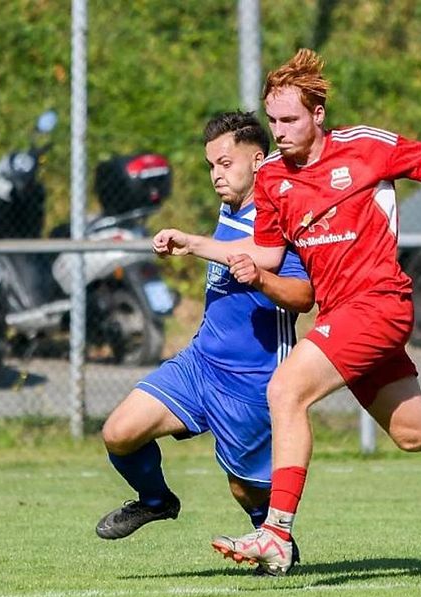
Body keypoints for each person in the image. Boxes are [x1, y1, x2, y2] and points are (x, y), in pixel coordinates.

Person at [153, 49, 421, 577]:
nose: (278, 132)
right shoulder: (275, 180)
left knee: (286, 389)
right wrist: (194, 242)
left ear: (318, 114)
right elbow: (265, 257)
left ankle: (275, 533)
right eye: (273, 120)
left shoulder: (366, 147)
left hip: (380, 305)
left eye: (290, 120)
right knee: (415, 431)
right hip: (342, 315)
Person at [95, 111, 314, 569]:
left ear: (258, 161)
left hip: (253, 380)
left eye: (225, 163)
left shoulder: (281, 218)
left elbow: (303, 297)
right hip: (200, 363)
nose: (217, 174)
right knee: (119, 433)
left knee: (244, 488)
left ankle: (276, 539)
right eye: (211, 165)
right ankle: (156, 501)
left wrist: (260, 280)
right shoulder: (230, 206)